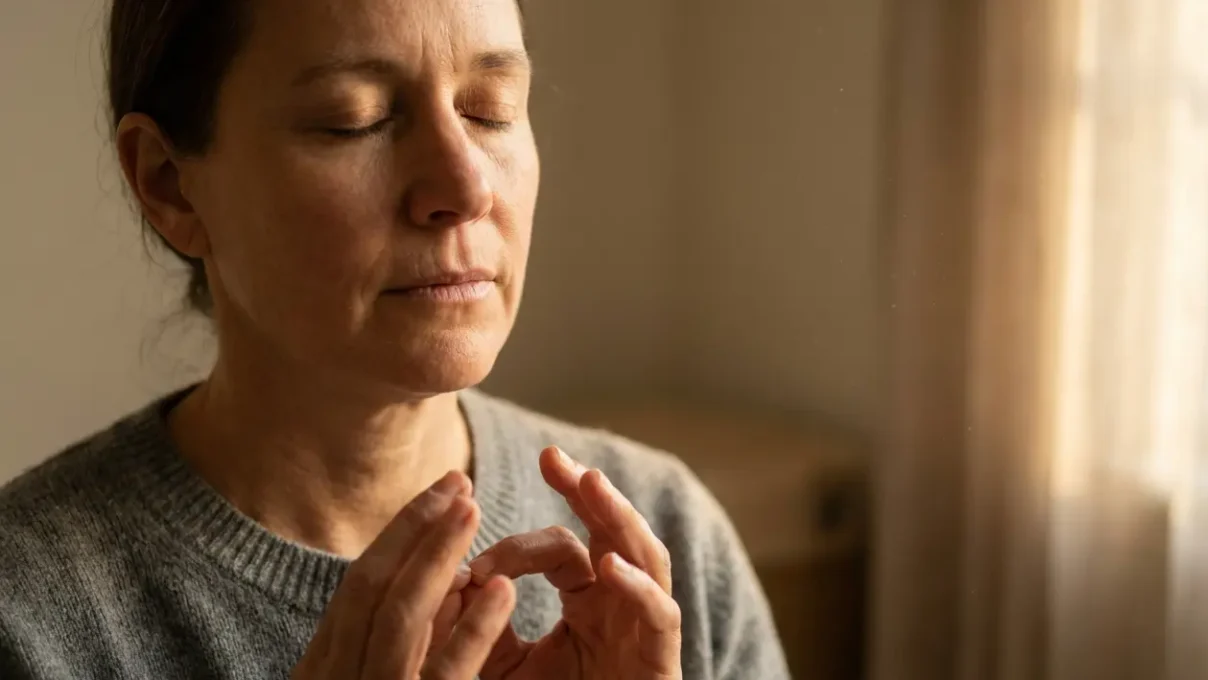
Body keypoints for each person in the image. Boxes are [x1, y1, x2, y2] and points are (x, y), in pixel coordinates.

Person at [0, 0, 790, 677]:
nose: (466, 184)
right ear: (170, 184)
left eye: (489, 107)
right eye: (358, 120)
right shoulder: (30, 617)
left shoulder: (662, 541)